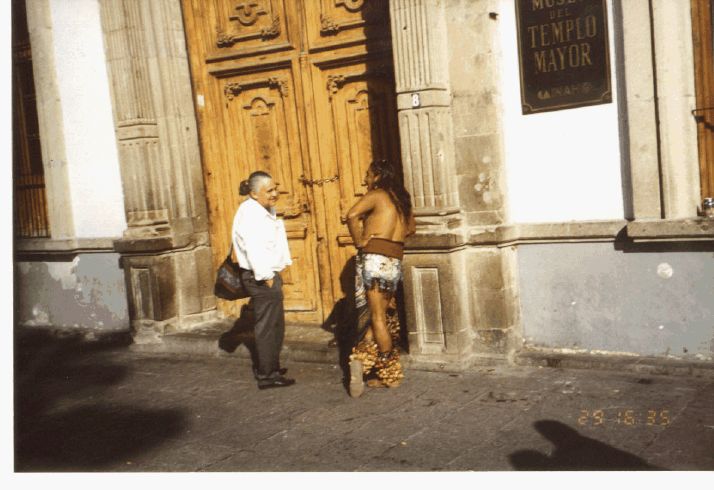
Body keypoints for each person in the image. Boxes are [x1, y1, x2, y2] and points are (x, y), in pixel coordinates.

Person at [345, 159, 416, 397]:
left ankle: (389, 374)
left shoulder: (377, 194)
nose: (364, 179)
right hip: (395, 259)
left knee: (376, 318)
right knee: (382, 315)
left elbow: (351, 214)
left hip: (375, 257)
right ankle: (362, 359)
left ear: (377, 175)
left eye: (367, 175)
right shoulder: (402, 200)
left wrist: (360, 240)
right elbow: (410, 230)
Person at [232, 170, 295, 390]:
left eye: (275, 188)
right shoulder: (251, 214)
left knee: (275, 325)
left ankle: (270, 366)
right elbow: (255, 248)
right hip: (261, 277)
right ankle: (268, 375)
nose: (275, 193)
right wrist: (267, 277)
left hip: (267, 274)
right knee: (268, 327)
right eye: (269, 190)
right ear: (254, 193)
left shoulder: (262, 209)